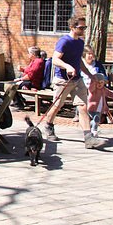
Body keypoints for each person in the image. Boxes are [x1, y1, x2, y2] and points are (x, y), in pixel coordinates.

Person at [43, 15, 107, 149]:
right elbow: (55, 60)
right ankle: (48, 125)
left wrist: (90, 75)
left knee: (83, 106)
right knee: (57, 106)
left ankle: (88, 138)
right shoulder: (64, 41)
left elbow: (79, 62)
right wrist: (67, 66)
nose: (83, 29)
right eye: (81, 27)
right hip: (63, 80)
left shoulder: (81, 42)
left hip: (78, 80)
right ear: (72, 27)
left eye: (85, 27)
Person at [73, 45, 108, 122]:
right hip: (82, 86)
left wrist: (100, 82)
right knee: (81, 91)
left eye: (92, 54)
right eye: (89, 54)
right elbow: (76, 76)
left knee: (98, 93)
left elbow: (104, 77)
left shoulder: (97, 65)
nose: (91, 56)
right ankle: (79, 113)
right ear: (84, 55)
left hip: (95, 87)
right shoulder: (81, 64)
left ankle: (99, 114)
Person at [87, 73, 113, 137]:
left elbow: (110, 93)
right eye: (98, 83)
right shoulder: (93, 89)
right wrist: (93, 82)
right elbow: (91, 88)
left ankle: (90, 125)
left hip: (100, 108)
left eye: (101, 82)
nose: (100, 84)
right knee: (96, 118)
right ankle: (94, 131)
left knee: (97, 120)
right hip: (92, 108)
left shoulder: (104, 89)